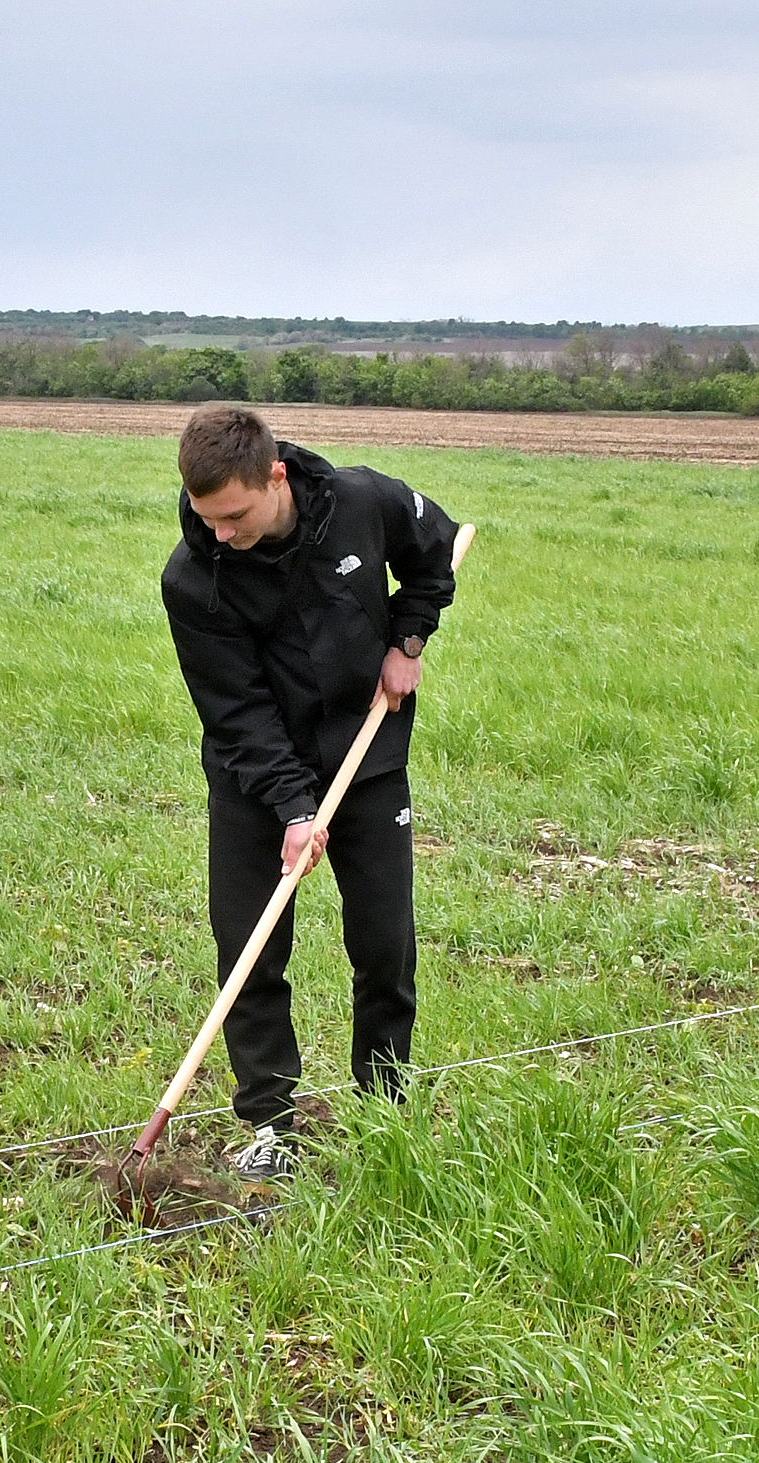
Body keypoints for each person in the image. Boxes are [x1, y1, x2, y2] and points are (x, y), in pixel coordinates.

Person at [160, 405, 460, 1179]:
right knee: (249, 950)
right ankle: (270, 1123)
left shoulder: (362, 501)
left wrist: (409, 639)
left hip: (367, 760)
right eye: (206, 518)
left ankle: (383, 1106)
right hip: (253, 780)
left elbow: (435, 554)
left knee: (384, 943)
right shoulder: (195, 578)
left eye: (234, 516)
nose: (220, 532)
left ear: (276, 475)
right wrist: (294, 807)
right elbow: (237, 713)